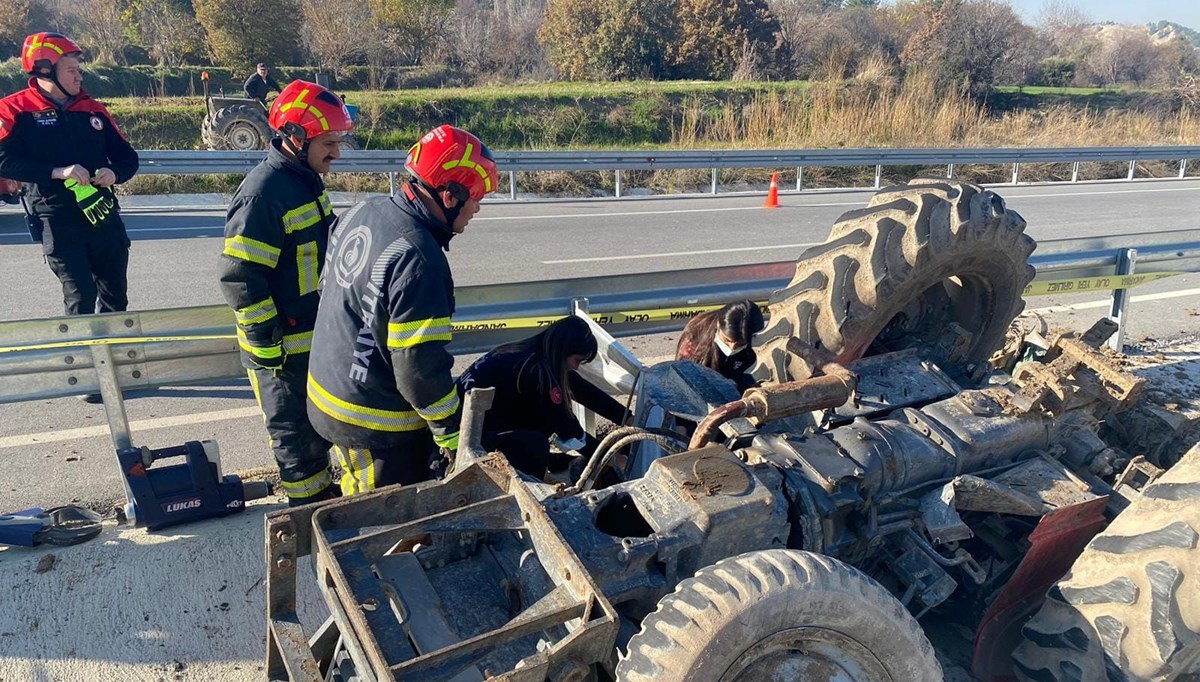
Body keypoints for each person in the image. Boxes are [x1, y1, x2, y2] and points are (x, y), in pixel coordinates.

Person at [307, 125, 498, 495]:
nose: (478, 208)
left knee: (358, 487)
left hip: (327, 389)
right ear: (449, 194)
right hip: (371, 422)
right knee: (387, 525)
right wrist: (451, 433)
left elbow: (328, 289)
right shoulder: (419, 258)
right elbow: (418, 371)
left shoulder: (364, 209)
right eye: (475, 197)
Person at [218, 79, 354, 506]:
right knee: (296, 441)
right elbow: (240, 275)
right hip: (279, 352)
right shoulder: (263, 195)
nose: (336, 152)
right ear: (295, 137)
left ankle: (325, 504)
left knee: (318, 432)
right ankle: (309, 519)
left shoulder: (304, 182)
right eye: (328, 142)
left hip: (310, 341)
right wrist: (265, 345)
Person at [0, 32, 139, 320]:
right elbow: (3, 161)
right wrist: (56, 172)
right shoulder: (14, 109)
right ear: (45, 69)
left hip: (102, 215)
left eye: (79, 70)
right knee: (81, 295)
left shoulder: (92, 109)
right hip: (56, 217)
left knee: (116, 296)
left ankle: (117, 357)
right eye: (71, 70)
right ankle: (86, 360)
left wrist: (115, 173)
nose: (79, 77)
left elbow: (128, 158)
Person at [458, 316, 628, 479]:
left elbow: (578, 388)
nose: (576, 367)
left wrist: (626, 417)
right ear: (563, 349)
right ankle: (531, 484)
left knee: (543, 415)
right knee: (537, 443)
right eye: (577, 360)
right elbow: (566, 427)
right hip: (468, 443)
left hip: (473, 426)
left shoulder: (528, 353)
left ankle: (546, 462)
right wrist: (612, 459)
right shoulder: (535, 372)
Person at [675, 300, 765, 392]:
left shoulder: (757, 340)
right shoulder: (695, 334)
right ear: (718, 324)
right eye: (727, 340)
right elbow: (683, 373)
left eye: (740, 344)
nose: (732, 347)